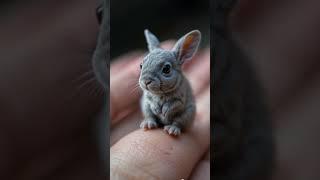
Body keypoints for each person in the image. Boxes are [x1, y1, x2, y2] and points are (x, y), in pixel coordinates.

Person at [109, 40, 210, 179]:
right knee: (145, 101)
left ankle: (177, 125)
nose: (146, 81)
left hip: (179, 117)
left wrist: (171, 109)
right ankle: (150, 118)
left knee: (189, 110)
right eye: (141, 66)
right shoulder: (147, 86)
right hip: (154, 116)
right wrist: (151, 114)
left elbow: (181, 103)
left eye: (166, 70)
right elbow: (148, 101)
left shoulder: (180, 88)